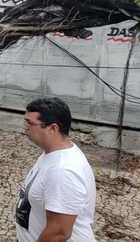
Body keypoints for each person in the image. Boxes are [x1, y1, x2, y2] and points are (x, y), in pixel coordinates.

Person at [15, 97, 96, 242]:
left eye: (30, 123)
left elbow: (59, 233)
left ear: (53, 128)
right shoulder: (52, 152)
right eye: (25, 121)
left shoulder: (64, 171)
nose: (25, 127)